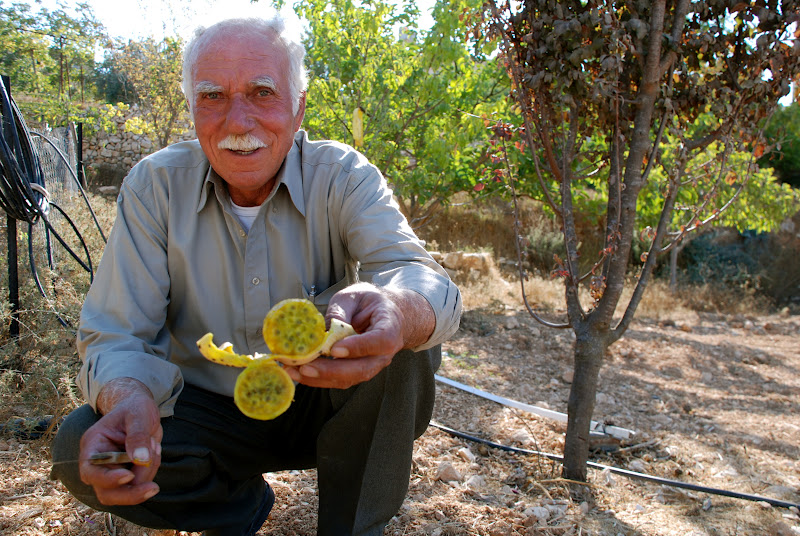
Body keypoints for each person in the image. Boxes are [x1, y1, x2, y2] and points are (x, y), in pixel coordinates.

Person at [50, 10, 461, 536]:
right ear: (192, 109)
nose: (238, 121)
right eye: (212, 96)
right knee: (77, 449)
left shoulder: (343, 175)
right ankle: (236, 507)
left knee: (403, 341)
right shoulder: (154, 187)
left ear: (299, 106)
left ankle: (354, 527)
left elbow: (415, 273)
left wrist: (401, 311)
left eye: (263, 92)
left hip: (321, 403)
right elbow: (117, 332)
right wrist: (129, 400)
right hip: (202, 417)